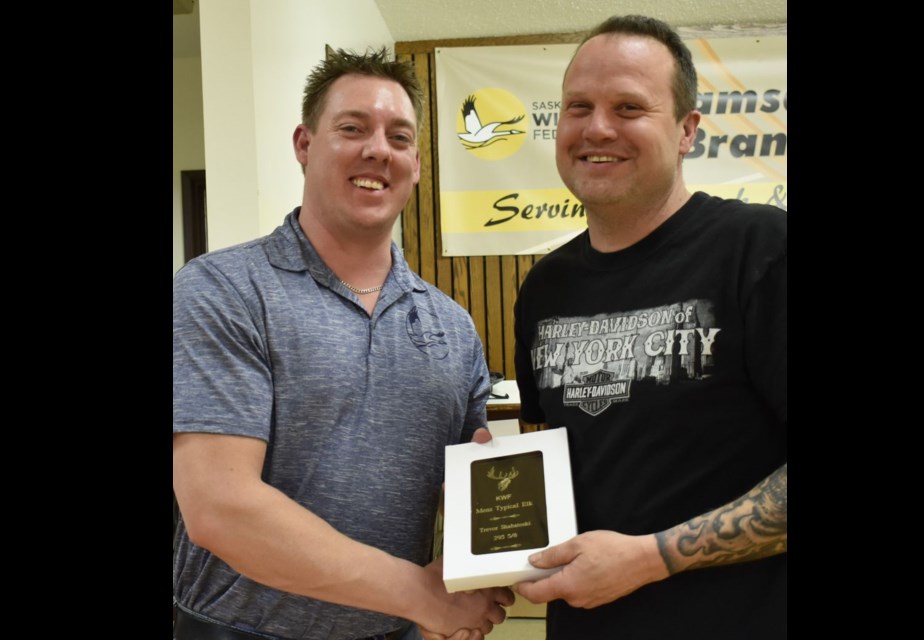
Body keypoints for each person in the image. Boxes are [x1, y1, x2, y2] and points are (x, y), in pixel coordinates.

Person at [173, 47, 513, 640]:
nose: (377, 150)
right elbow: (220, 509)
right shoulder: (222, 291)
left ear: (415, 162)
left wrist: (482, 571)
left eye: (399, 137)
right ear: (305, 144)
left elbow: (475, 499)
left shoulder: (452, 327)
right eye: (352, 128)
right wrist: (423, 596)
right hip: (238, 631)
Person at [511, 15, 787, 639]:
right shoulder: (545, 287)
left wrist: (652, 558)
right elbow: (575, 461)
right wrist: (499, 502)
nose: (597, 127)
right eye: (578, 106)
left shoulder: (762, 250)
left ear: (688, 129)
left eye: (629, 107)